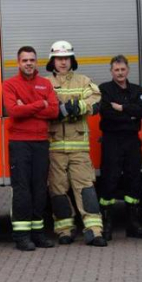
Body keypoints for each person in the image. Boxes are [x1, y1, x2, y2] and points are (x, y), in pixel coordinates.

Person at [45, 40, 106, 247]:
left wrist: (77, 107)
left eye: (66, 58)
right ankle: (64, 229)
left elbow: (96, 100)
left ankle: (95, 230)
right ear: (52, 61)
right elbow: (43, 106)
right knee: (58, 190)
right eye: (59, 59)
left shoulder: (83, 80)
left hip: (79, 146)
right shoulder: (45, 83)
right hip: (55, 148)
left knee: (86, 188)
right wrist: (59, 110)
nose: (63, 63)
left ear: (72, 60)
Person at [2, 46, 60, 251]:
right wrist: (39, 104)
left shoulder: (45, 84)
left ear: (36, 62)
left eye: (32, 60)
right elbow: (14, 111)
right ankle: (21, 236)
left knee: (39, 189)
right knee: (22, 190)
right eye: (25, 60)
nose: (28, 63)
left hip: (41, 142)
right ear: (18, 63)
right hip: (20, 143)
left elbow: (54, 111)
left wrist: (29, 106)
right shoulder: (9, 84)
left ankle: (38, 234)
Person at [97, 55, 142, 241]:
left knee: (134, 180)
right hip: (112, 141)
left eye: (123, 69)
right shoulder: (104, 89)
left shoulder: (137, 89)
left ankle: (133, 226)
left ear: (128, 70)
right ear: (111, 71)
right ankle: (107, 226)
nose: (120, 73)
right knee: (109, 181)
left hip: (131, 141)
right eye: (116, 70)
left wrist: (121, 108)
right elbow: (106, 112)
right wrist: (130, 113)